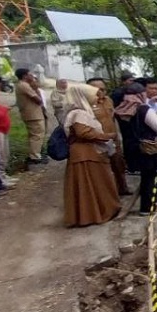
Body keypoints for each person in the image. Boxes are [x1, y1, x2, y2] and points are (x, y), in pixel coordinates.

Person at [62, 84, 120, 227]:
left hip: (85, 152)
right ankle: (94, 214)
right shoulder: (80, 113)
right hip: (85, 153)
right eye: (94, 95)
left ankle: (90, 214)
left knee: (92, 185)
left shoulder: (78, 112)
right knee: (91, 185)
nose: (96, 98)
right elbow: (84, 133)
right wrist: (106, 136)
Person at [91, 77, 131, 196]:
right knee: (103, 169)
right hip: (98, 141)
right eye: (97, 89)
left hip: (113, 139)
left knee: (118, 164)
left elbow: (113, 118)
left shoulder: (108, 100)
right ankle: (107, 194)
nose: (100, 92)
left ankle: (123, 188)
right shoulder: (86, 103)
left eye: (103, 89)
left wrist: (117, 137)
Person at [14, 68, 48, 164]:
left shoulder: (22, 85)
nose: (32, 76)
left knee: (35, 134)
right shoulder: (24, 85)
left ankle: (35, 154)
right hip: (33, 114)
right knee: (37, 135)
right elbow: (37, 99)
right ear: (25, 76)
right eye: (30, 74)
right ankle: (35, 156)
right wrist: (35, 88)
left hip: (32, 113)